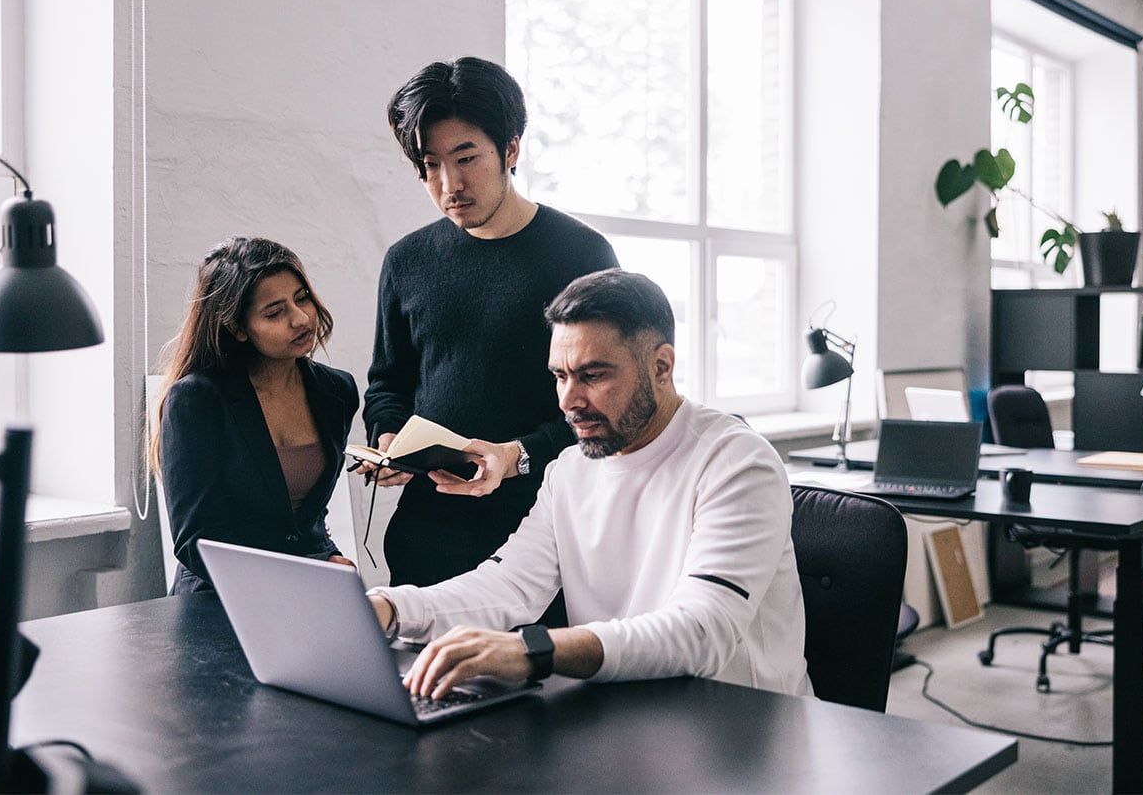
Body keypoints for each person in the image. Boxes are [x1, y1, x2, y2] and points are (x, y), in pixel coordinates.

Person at [366, 269, 812, 699]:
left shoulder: (737, 462)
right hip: (627, 717)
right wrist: (390, 609)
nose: (568, 401)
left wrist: (532, 651)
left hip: (742, 734)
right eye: (560, 376)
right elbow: (508, 586)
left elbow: (702, 630)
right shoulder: (570, 470)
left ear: (661, 365)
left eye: (593, 376)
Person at [362, 56, 618, 593]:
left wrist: (515, 456)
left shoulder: (581, 255)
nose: (449, 183)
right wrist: (390, 439)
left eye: (466, 157)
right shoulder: (406, 260)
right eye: (430, 165)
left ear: (511, 149)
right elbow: (388, 382)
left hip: (545, 532)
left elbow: (606, 400)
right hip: (426, 536)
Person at [153, 236, 360, 594]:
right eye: (274, 312)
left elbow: (306, 517)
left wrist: (327, 561)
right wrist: (308, 570)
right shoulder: (196, 399)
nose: (300, 319)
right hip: (219, 597)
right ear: (237, 328)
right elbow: (197, 542)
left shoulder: (337, 391)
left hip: (312, 588)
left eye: (302, 298)